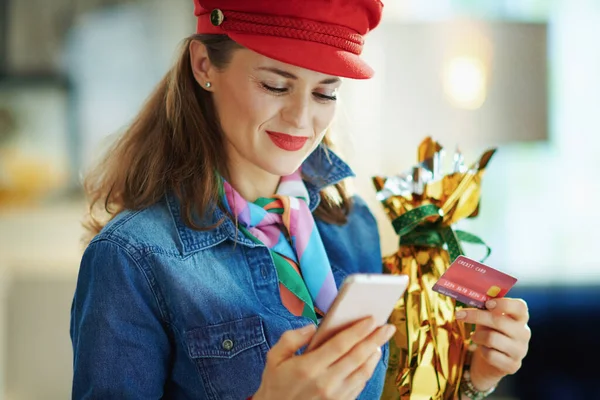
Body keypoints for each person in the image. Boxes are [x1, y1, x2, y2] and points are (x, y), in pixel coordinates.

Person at [69, 1, 531, 399]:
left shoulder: (352, 226)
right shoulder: (131, 259)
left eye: (325, 93)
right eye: (275, 85)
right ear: (204, 66)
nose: (301, 118)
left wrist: (475, 377)